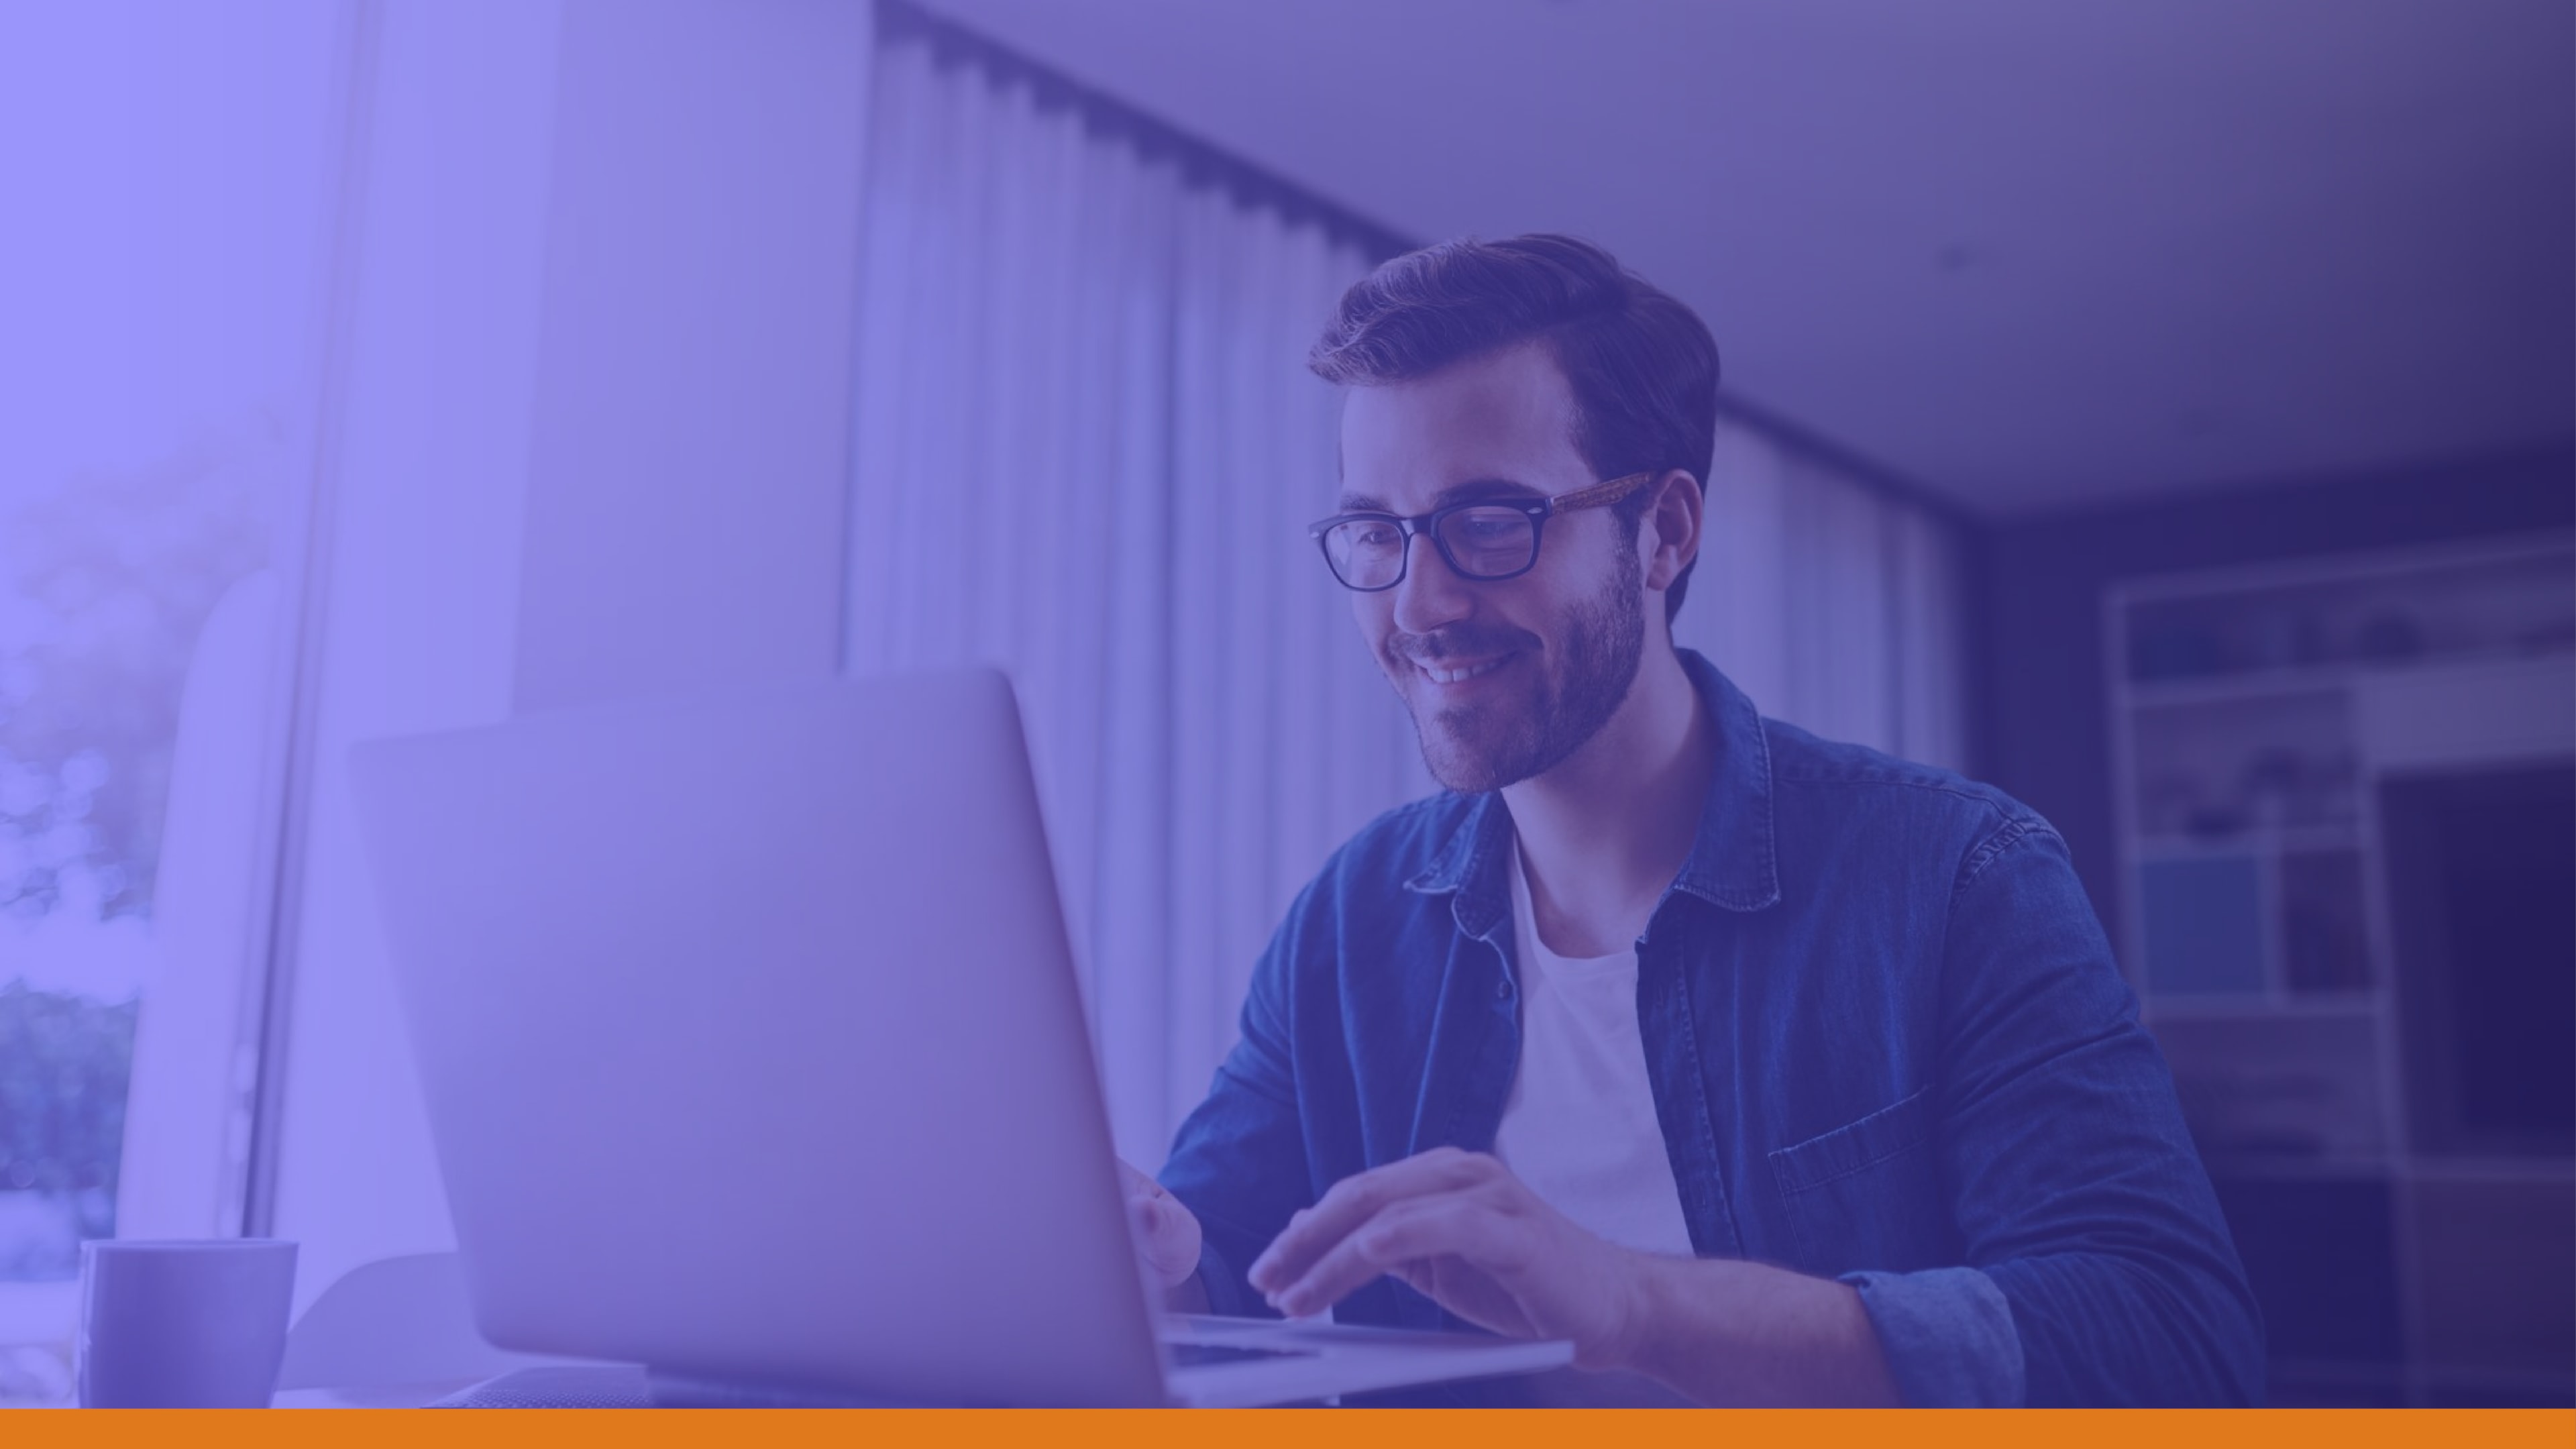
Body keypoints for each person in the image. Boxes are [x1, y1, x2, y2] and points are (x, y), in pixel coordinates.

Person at [1117, 233, 2263, 1407]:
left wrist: (1636, 1303)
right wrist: (1145, 1264)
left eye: (1492, 520)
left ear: (1664, 532)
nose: (1422, 601)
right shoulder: (1348, 926)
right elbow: (1227, 1286)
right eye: (1379, 533)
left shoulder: (1959, 879)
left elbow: (2172, 1344)